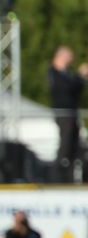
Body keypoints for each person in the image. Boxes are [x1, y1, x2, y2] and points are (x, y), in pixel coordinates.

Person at [47, 46, 88, 183]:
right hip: (64, 115)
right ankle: (57, 178)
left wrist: (79, 79)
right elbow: (67, 90)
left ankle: (70, 178)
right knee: (65, 147)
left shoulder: (67, 73)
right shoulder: (54, 73)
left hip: (72, 114)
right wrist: (79, 76)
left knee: (75, 147)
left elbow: (76, 91)